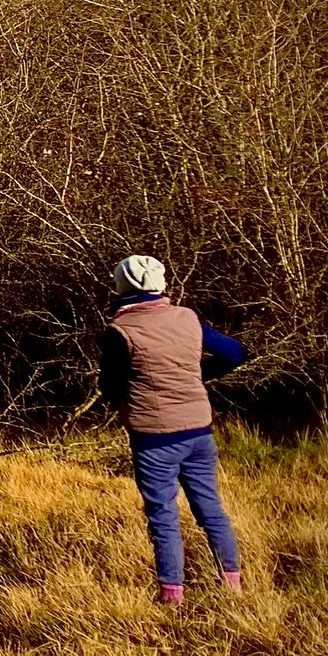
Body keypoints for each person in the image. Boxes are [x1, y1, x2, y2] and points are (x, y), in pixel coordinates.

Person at [101, 254, 247, 604]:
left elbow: (109, 387)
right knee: (210, 508)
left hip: (152, 437)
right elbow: (237, 353)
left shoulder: (119, 331)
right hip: (198, 429)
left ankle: (172, 595)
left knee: (163, 515)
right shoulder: (188, 318)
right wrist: (198, 378)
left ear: (122, 287)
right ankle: (233, 586)